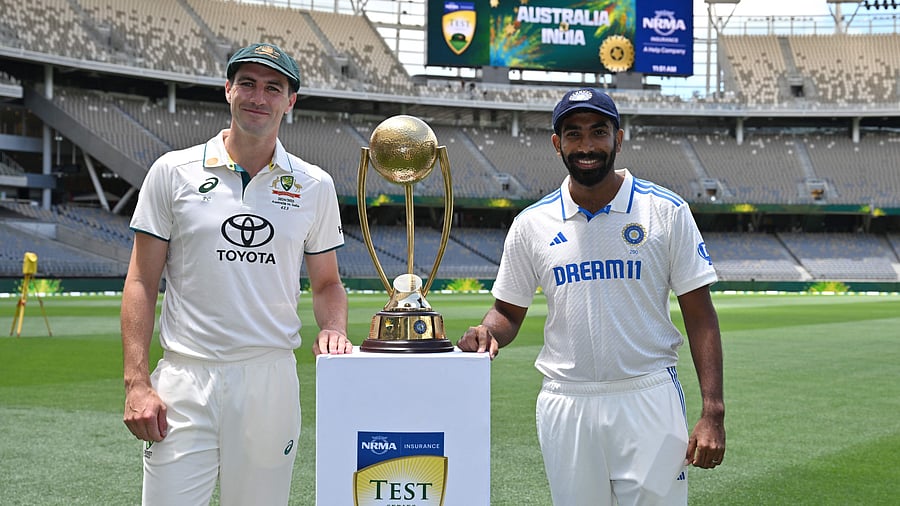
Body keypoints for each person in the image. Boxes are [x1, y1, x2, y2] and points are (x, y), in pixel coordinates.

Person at [457, 88, 725, 505]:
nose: (586, 146)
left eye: (598, 132)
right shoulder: (532, 224)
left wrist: (713, 412)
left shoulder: (666, 211)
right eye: (573, 134)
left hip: (648, 394)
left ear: (618, 138)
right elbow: (507, 311)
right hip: (567, 400)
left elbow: (700, 315)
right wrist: (487, 331)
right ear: (557, 143)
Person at [121, 42, 352, 505]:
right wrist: (137, 382)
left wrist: (334, 327)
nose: (257, 97)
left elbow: (327, 283)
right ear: (228, 89)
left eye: (273, 87)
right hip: (186, 377)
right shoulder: (173, 172)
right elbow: (141, 282)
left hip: (269, 378)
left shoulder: (314, 185)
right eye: (246, 83)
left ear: (290, 101)